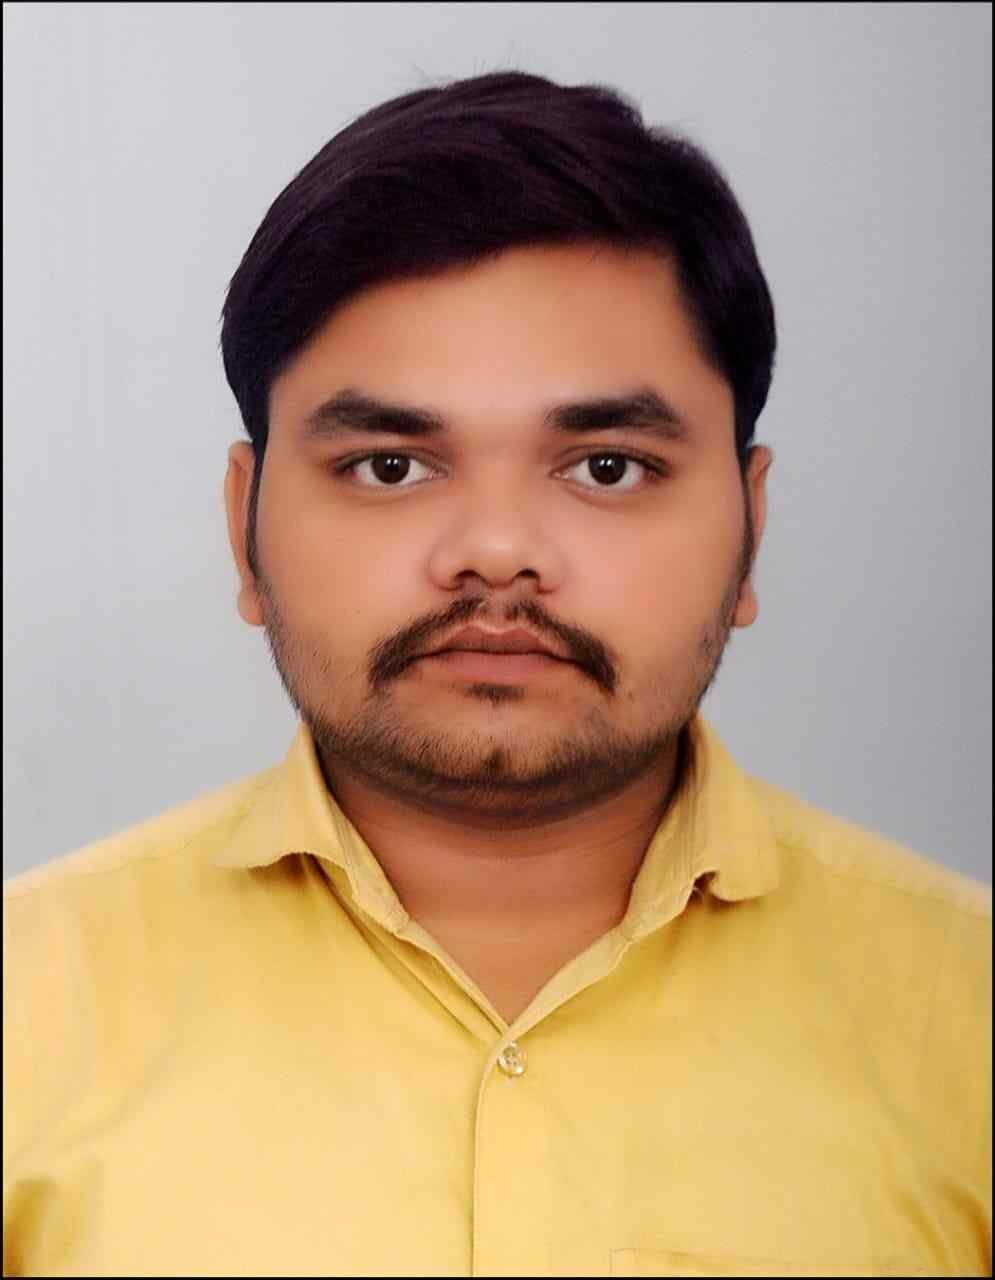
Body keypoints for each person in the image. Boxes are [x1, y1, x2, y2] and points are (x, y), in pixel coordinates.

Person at [3, 70, 990, 1279]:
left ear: (750, 525)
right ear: (242, 527)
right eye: (389, 466)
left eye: (607, 466)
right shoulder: (24, 1008)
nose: (495, 550)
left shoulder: (967, 1018)